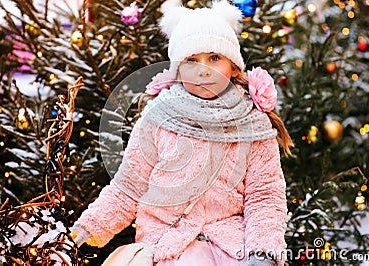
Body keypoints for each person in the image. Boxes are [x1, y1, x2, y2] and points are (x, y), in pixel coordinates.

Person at [70, 1, 293, 265]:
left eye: (214, 58)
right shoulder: (158, 119)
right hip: (163, 245)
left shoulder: (253, 125)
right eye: (191, 60)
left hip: (228, 248)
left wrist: (263, 252)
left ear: (233, 66)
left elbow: (265, 196)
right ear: (177, 70)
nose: (203, 69)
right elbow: (127, 189)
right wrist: (84, 232)